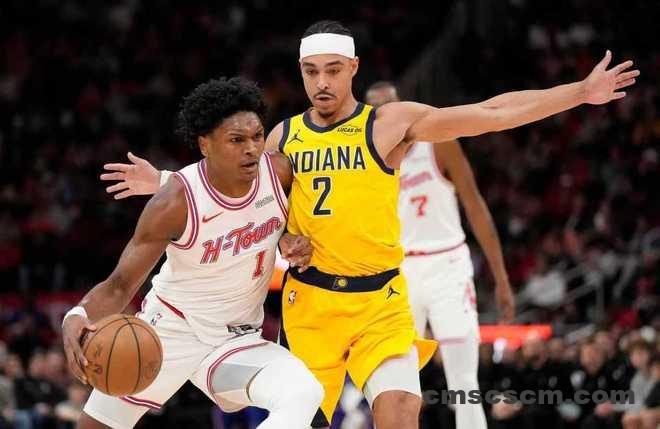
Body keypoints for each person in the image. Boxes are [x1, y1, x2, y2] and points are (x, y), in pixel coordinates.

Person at [100, 20, 638, 429]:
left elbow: (490, 113)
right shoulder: (282, 137)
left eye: (333, 70)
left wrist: (578, 93)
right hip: (312, 307)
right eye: (311, 72)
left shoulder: (388, 124)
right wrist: (170, 181)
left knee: (401, 413)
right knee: (303, 417)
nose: (322, 82)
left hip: (381, 302)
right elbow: (238, 195)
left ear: (353, 68)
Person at [61, 77, 324, 429]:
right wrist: (76, 315)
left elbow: (290, 221)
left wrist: (289, 238)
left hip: (235, 341)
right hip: (169, 332)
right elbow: (120, 285)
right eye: (237, 140)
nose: (251, 149)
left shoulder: (278, 173)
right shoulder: (174, 202)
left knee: (303, 393)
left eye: (258, 136)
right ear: (205, 144)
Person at [364, 80, 514, 429]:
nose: (387, 113)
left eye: (391, 105)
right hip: (398, 272)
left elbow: (476, 207)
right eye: (378, 110)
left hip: (448, 266)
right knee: (397, 384)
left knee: (463, 380)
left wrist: (501, 278)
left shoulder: (439, 143)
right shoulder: (363, 159)